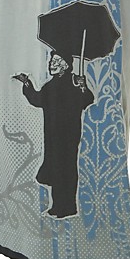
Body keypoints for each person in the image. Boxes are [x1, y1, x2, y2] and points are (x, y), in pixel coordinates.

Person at [13, 50, 95, 218]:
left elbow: (87, 100)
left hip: (68, 133)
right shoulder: (51, 84)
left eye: (57, 61)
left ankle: (68, 207)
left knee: (66, 168)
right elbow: (38, 100)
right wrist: (27, 83)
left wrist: (83, 86)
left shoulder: (74, 81)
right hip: (53, 133)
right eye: (52, 61)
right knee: (57, 167)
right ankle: (58, 206)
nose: (52, 64)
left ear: (65, 65)